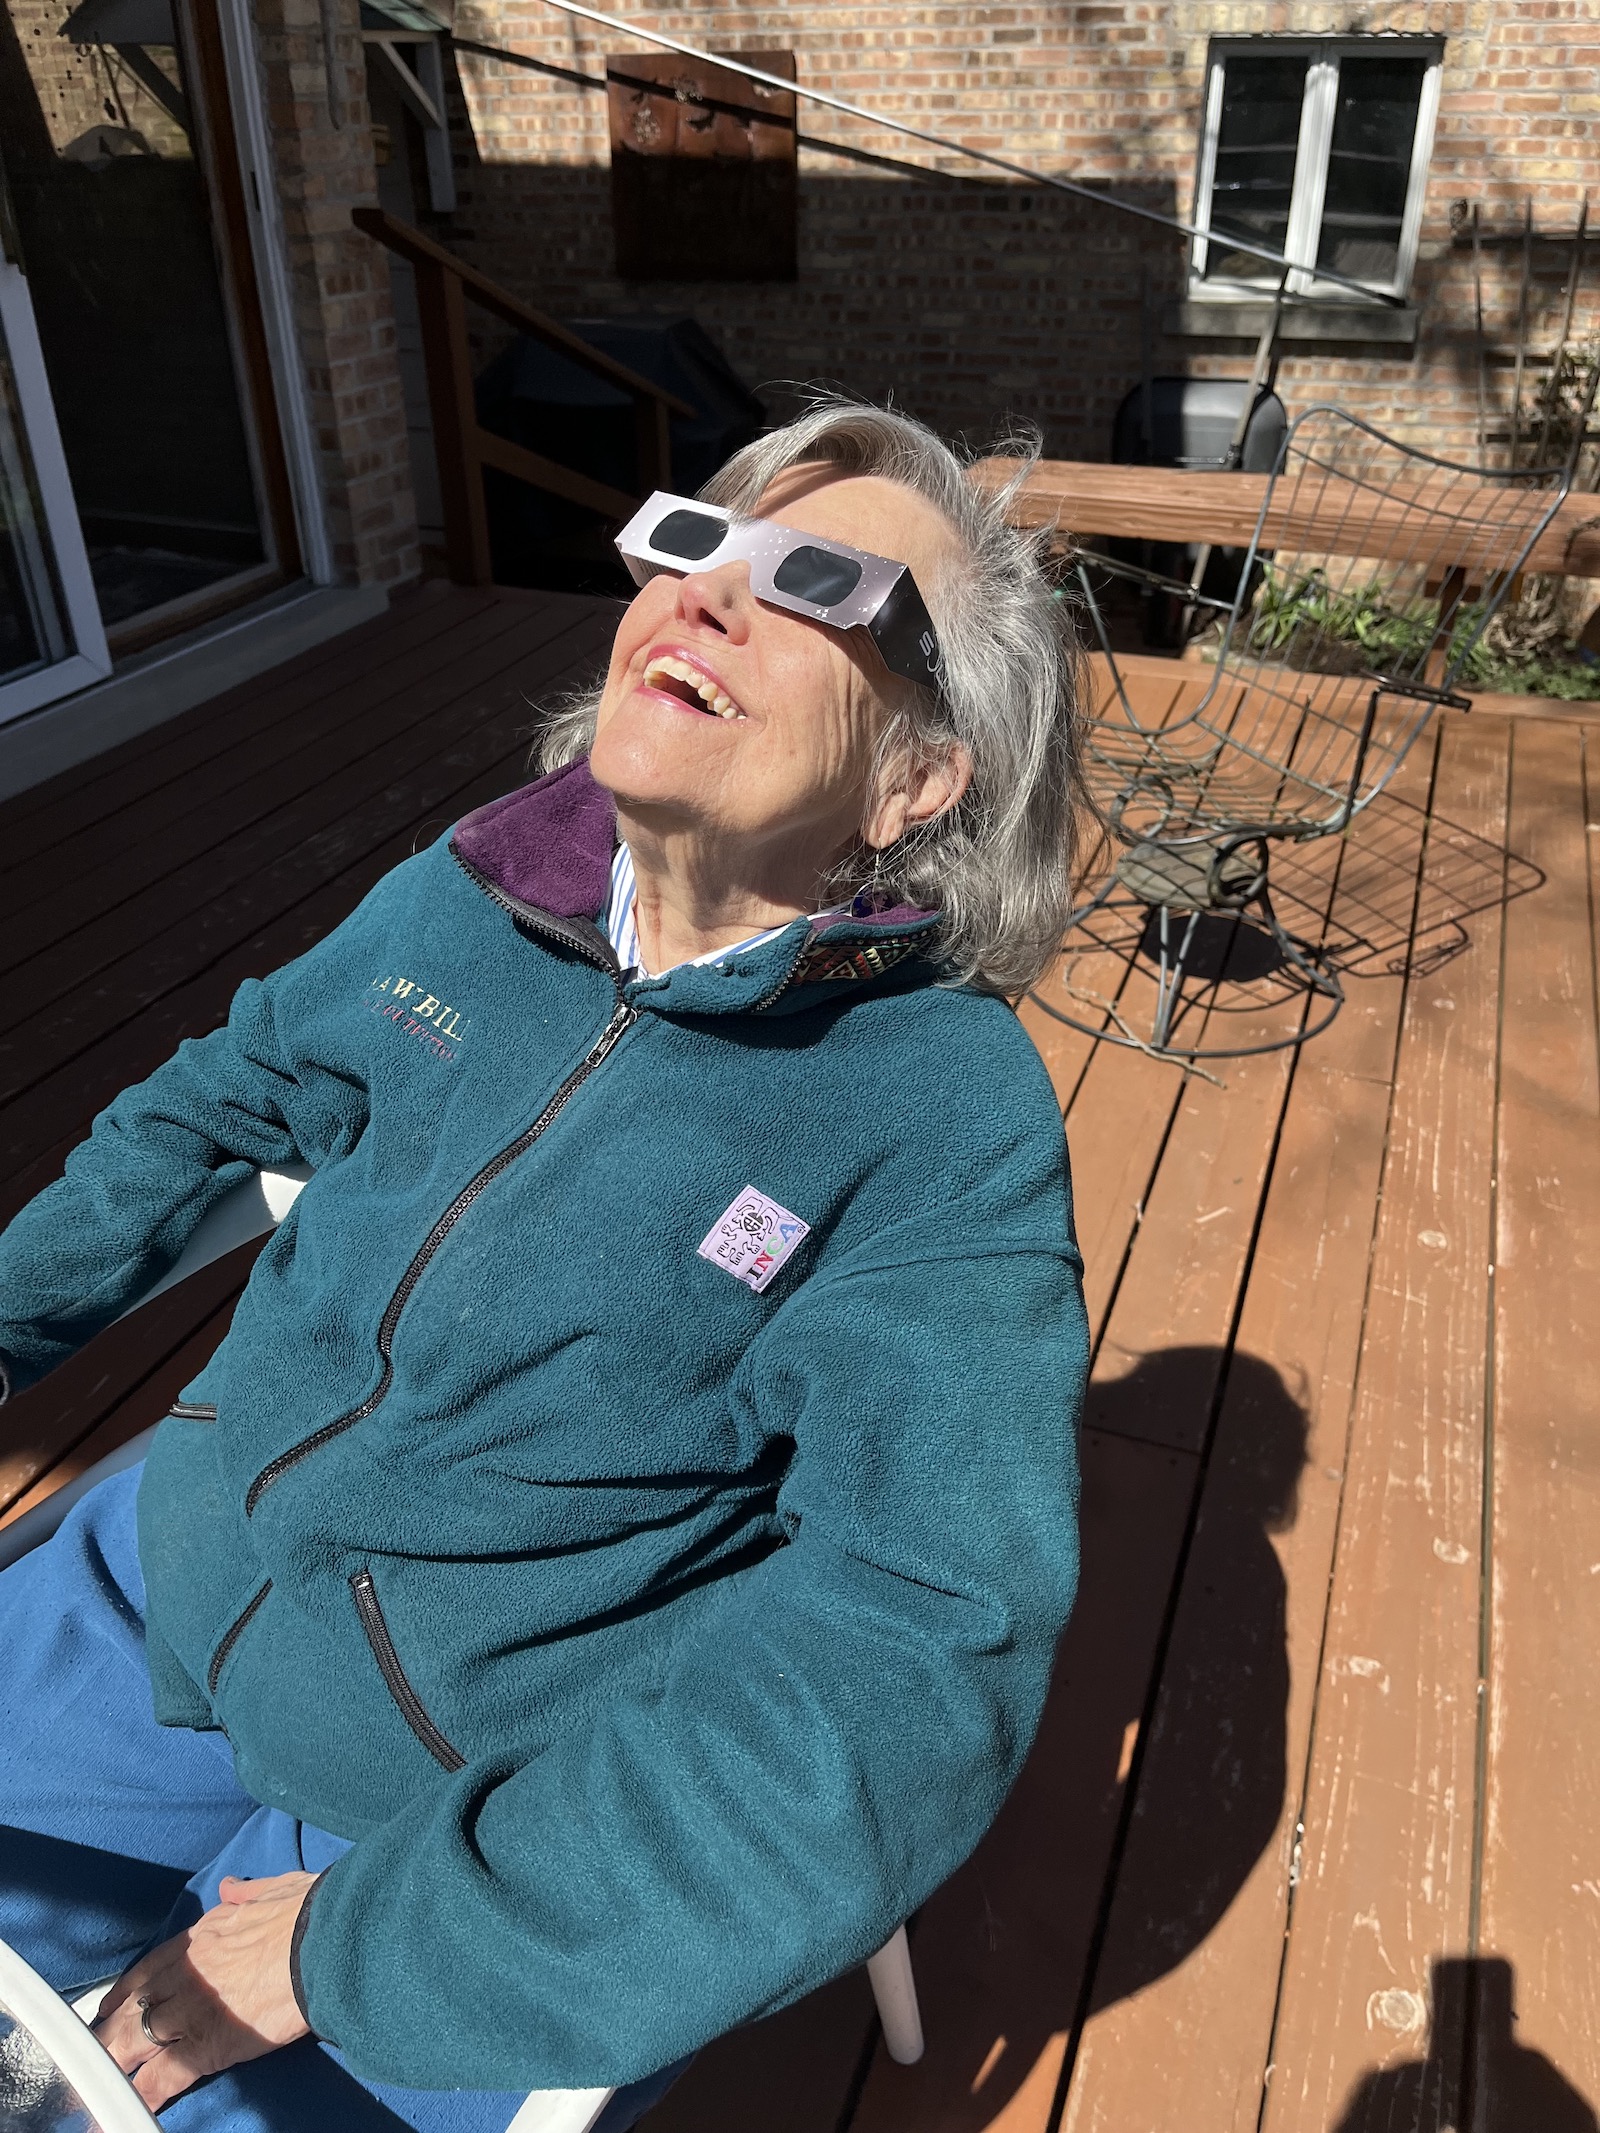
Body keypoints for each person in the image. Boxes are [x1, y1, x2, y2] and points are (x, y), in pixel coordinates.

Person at [0, 398, 1090, 2131]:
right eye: (688, 541)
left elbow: (913, 1641)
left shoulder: (937, 1118)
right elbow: (216, 1101)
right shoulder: (474, 890)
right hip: (147, 1594)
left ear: (915, 778)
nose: (710, 595)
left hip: (452, 1816)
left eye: (816, 580)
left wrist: (364, 1947)